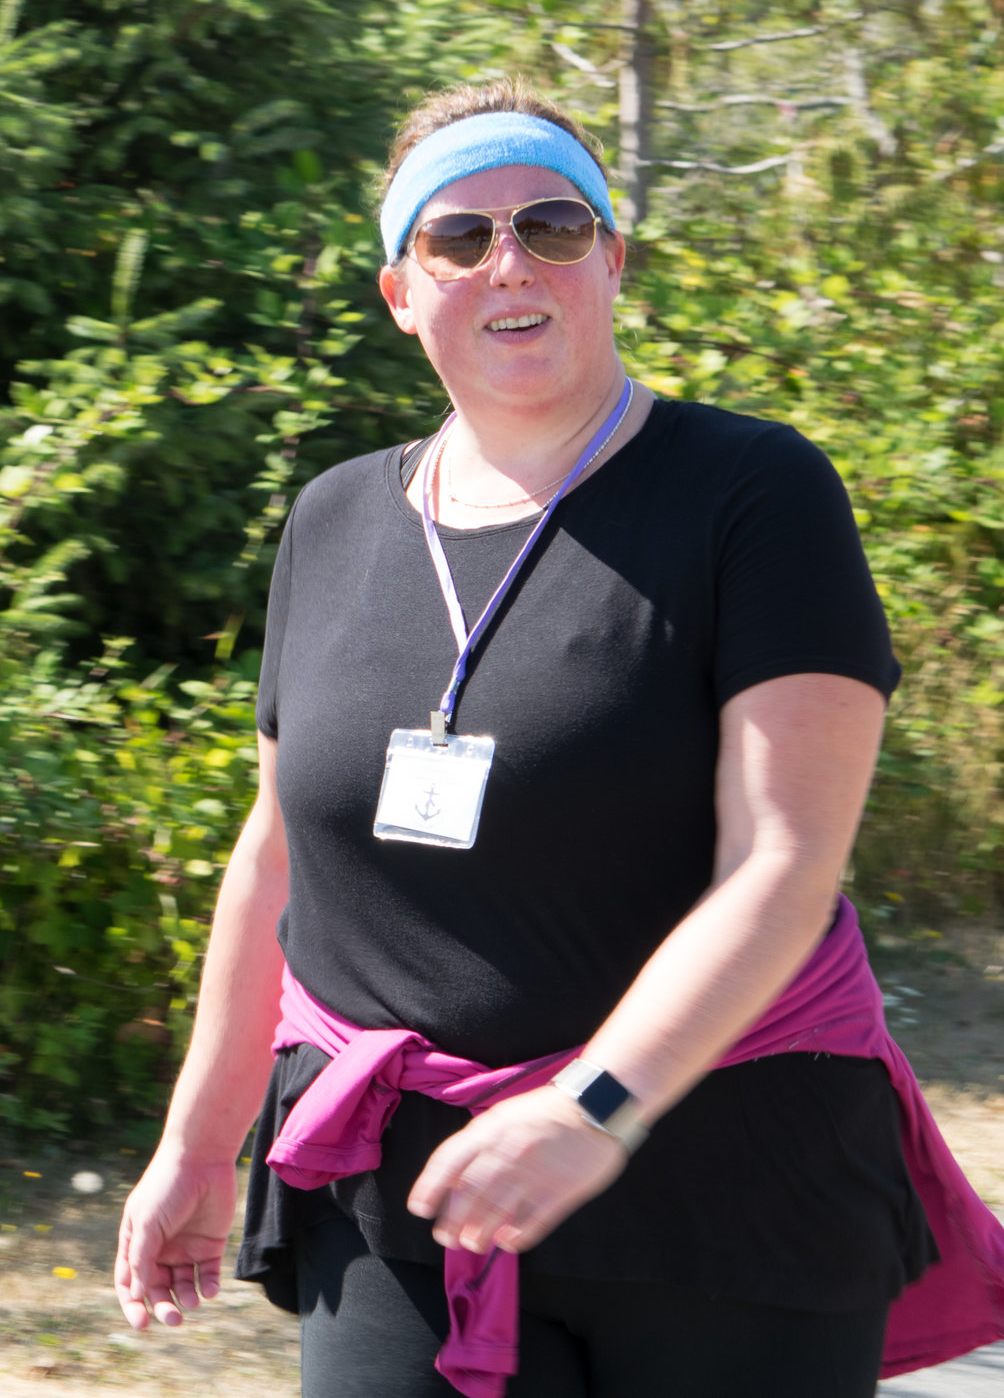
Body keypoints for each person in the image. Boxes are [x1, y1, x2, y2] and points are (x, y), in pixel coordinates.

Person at [112, 81, 1004, 1397]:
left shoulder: (750, 491)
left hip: (726, 1174)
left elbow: (784, 861)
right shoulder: (336, 518)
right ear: (402, 292)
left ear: (612, 260)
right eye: (457, 238)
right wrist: (196, 1143)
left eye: (552, 224)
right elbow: (277, 855)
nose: (508, 260)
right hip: (405, 1187)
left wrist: (596, 1107)